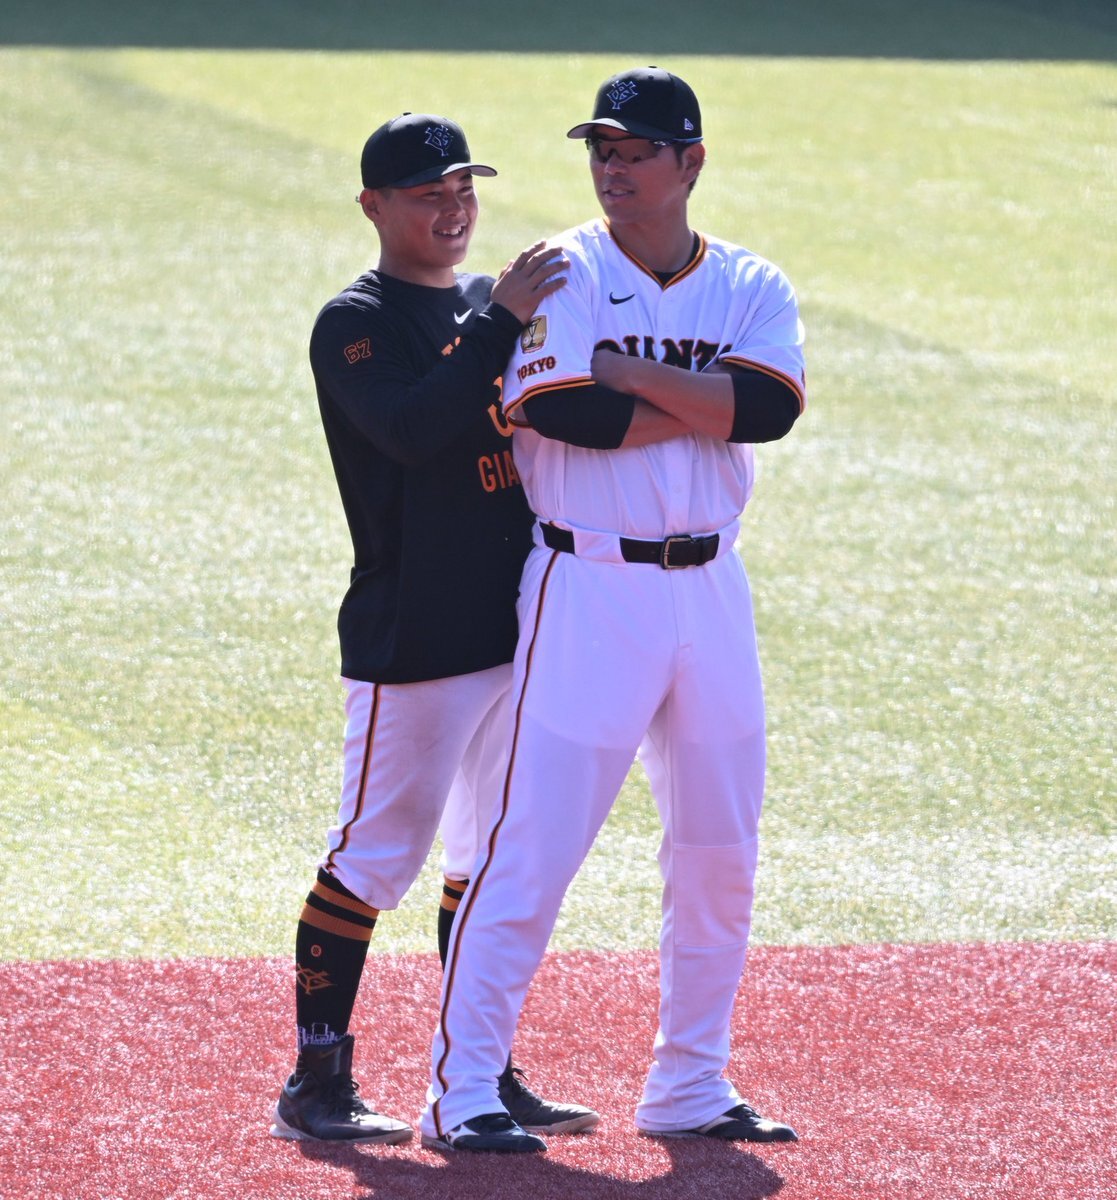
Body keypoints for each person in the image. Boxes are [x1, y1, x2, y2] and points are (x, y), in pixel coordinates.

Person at [421, 67, 806, 1154]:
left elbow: (769, 409)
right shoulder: (563, 268)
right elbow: (565, 412)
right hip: (587, 584)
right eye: (601, 148)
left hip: (712, 590)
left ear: (690, 162)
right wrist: (702, 402)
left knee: (720, 850)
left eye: (636, 150)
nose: (613, 167)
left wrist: (629, 374)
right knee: (532, 844)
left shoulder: (750, 281)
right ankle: (464, 1090)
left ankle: (690, 1083)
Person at [269, 111, 598, 1150]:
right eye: (428, 195)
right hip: (412, 638)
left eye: (464, 189)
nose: (453, 210)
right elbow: (411, 430)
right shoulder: (354, 322)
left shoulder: (480, 302)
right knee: (373, 857)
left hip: (513, 627)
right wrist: (500, 321)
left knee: (488, 860)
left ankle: (479, 1072)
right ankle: (316, 1081)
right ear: (374, 207)